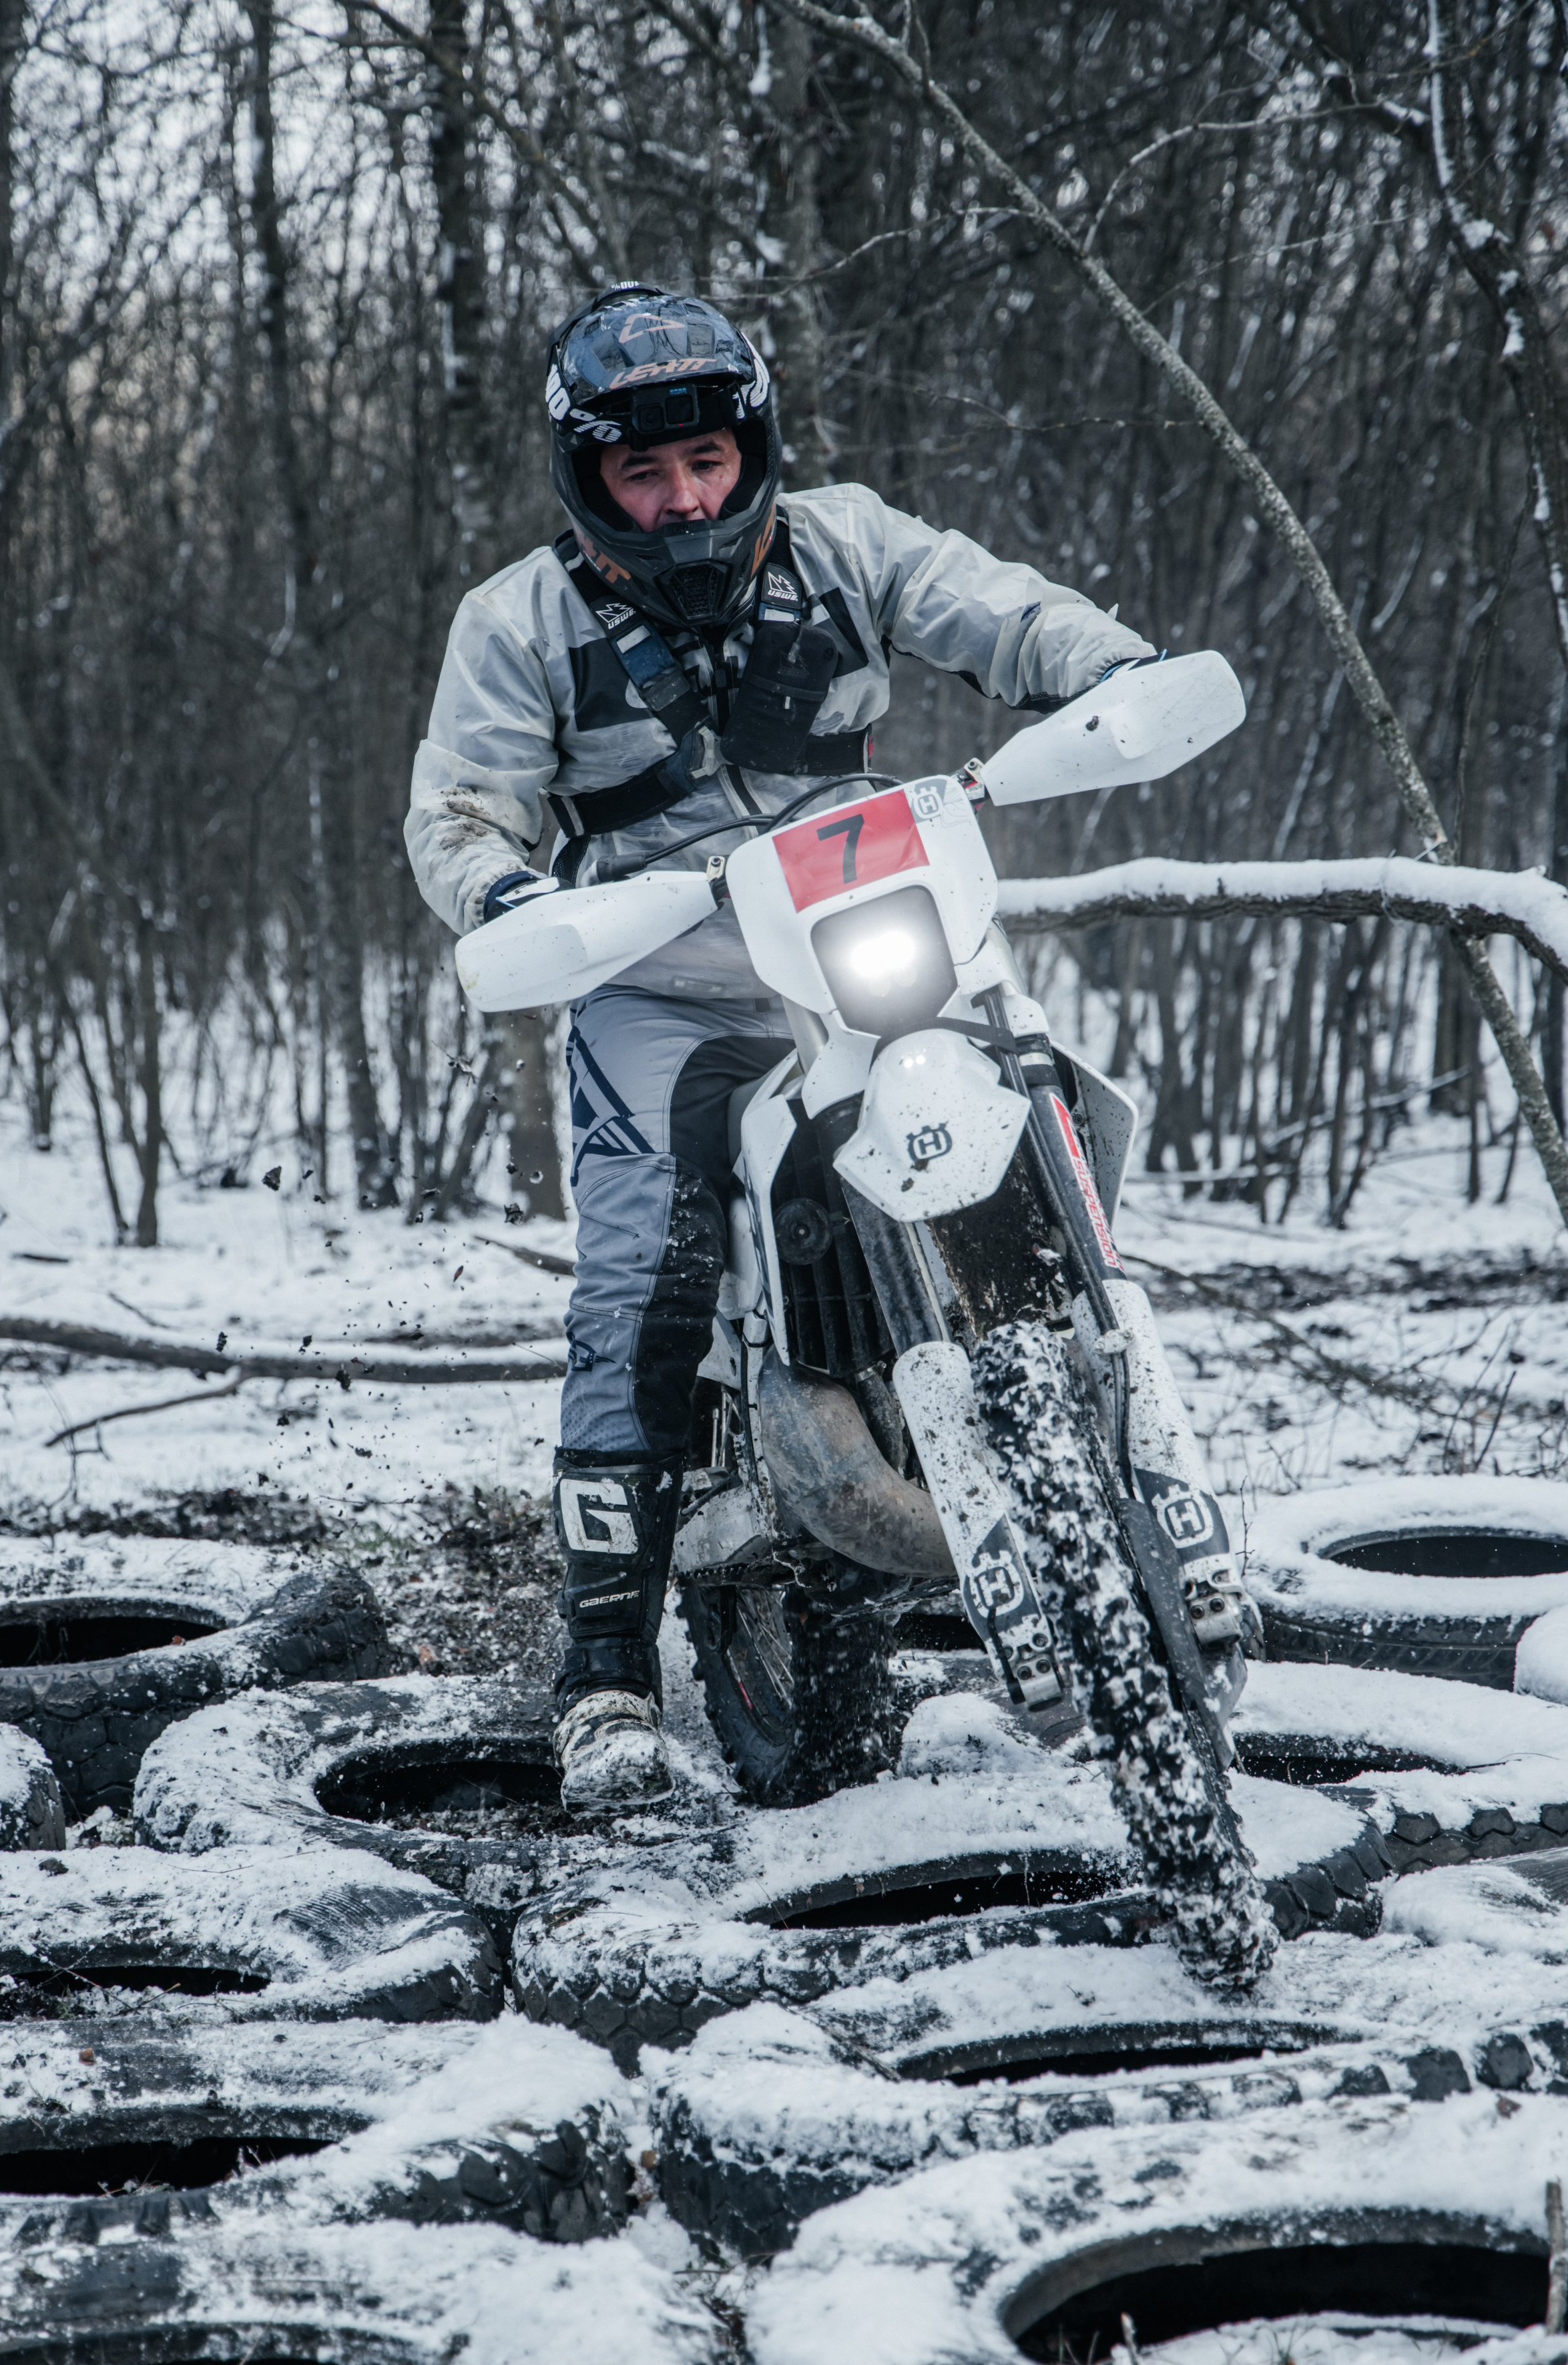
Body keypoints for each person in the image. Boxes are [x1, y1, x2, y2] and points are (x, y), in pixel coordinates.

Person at [405, 284, 1153, 1815]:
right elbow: (460, 809)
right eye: (642, 472)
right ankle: (604, 1670)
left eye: (705, 461)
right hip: (659, 973)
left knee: (1036, 1123)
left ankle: (1113, 1479)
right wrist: (509, 895)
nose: (683, 497)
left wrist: (1110, 672)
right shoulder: (518, 620)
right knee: (644, 1268)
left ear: (749, 450)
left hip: (868, 934)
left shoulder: (846, 542)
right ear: (589, 478)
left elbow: (998, 607)